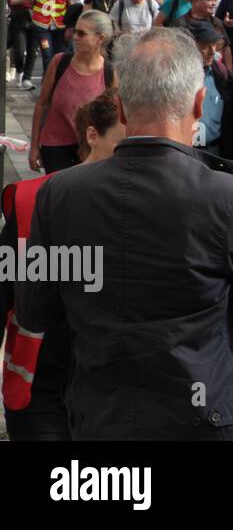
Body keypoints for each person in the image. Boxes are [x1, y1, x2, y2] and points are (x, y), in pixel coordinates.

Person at [17, 27, 233, 439]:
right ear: (199, 104)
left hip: (106, 415)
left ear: (123, 111)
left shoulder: (60, 193)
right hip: (208, 415)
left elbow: (34, 311)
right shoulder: (227, 196)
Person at [0, 89, 123, 440]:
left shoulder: (146, 208)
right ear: (91, 135)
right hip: (42, 390)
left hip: (113, 396)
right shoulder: (31, 202)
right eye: (122, 148)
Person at [29, 10, 115, 174]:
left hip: (91, 151)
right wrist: (34, 147)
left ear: (100, 38)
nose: (75, 37)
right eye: (75, 31)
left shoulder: (109, 73)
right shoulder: (59, 62)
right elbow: (42, 105)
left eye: (82, 33)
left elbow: (113, 119)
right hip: (55, 147)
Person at [188, 20, 233, 169]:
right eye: (205, 46)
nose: (212, 51)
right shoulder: (176, 78)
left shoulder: (224, 77)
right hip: (186, 153)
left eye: (214, 45)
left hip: (215, 152)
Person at [8, 0, 36, 89]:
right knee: (19, 50)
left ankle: (27, 78)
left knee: (32, 50)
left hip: (35, 17)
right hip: (18, 17)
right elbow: (11, 0)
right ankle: (19, 71)